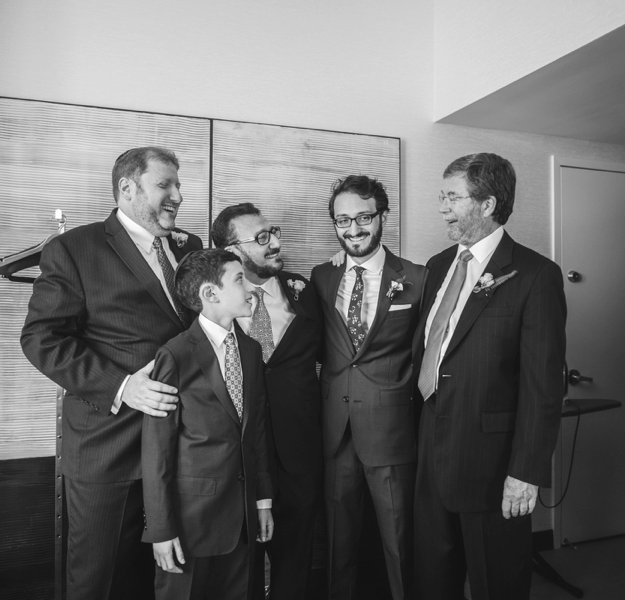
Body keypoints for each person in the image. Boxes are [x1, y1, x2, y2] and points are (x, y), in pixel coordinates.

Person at [21, 146, 202, 599]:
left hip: (183, 445)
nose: (178, 196)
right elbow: (42, 338)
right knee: (98, 580)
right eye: (165, 185)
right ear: (127, 188)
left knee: (165, 579)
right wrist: (122, 386)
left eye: (179, 185)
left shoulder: (191, 246)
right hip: (110, 446)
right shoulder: (74, 248)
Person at [412, 153, 567, 600]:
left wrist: (526, 472)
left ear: (487, 204)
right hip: (430, 455)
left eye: (452, 197)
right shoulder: (438, 265)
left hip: (492, 466)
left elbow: (543, 386)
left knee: (497, 583)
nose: (442, 207)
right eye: (442, 196)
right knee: (432, 580)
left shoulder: (536, 275)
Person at [311, 175, 426, 600]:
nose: (354, 229)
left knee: (400, 541)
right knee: (337, 541)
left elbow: (425, 352)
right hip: (335, 427)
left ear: (383, 217)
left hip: (390, 430)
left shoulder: (417, 278)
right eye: (343, 220)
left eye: (364, 217)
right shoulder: (321, 276)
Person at [142, 249, 274, 600]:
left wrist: (262, 501)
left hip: (243, 521)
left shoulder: (251, 350)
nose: (250, 288)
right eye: (239, 279)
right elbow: (157, 450)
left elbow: (256, 431)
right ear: (210, 293)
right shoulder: (175, 355)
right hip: (190, 525)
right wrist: (160, 529)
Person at [211, 203, 323, 600]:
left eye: (273, 232)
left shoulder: (305, 290)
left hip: (299, 453)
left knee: (295, 564)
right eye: (261, 238)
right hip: (240, 458)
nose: (275, 243)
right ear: (231, 250)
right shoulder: (214, 301)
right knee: (240, 567)